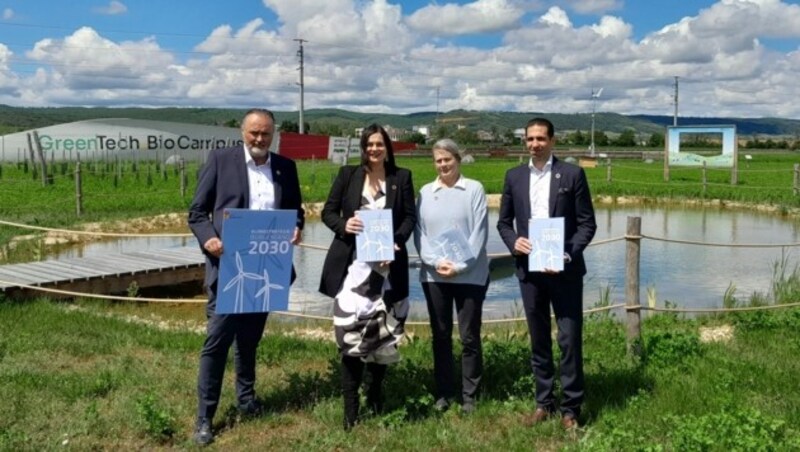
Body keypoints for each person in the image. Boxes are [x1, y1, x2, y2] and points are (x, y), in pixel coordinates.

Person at [188, 108, 305, 445]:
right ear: (243, 132)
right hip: (229, 269)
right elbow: (196, 212)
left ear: (274, 134)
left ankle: (246, 399)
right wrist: (208, 237)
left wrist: (296, 228)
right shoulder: (221, 161)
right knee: (217, 343)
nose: (259, 139)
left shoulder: (286, 167)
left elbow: (296, 211)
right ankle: (205, 418)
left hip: (267, 268)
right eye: (254, 132)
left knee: (250, 340)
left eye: (265, 133)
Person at [496, 117, 596, 429]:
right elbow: (503, 222)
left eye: (541, 139)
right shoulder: (513, 177)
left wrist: (567, 254)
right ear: (524, 142)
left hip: (564, 271)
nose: (535, 144)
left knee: (568, 339)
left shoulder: (572, 174)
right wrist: (515, 242)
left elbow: (586, 224)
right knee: (539, 339)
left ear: (552, 141)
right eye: (530, 139)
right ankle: (544, 403)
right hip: (530, 271)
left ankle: (571, 409)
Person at [319, 123, 416, 430]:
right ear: (363, 147)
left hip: (387, 272)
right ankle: (351, 411)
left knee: (382, 337)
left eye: (380, 144)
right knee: (349, 338)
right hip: (353, 272)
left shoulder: (402, 177)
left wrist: (396, 241)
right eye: (369, 144)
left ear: (388, 146)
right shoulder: (348, 175)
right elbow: (328, 212)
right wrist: (344, 225)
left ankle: (375, 395)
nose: (374, 149)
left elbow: (410, 217)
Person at [414, 139, 489, 414]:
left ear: (458, 159)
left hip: (470, 276)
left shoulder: (474, 189)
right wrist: (435, 262)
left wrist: (459, 266)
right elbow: (419, 234)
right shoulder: (424, 192)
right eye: (438, 160)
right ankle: (444, 392)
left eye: (448, 159)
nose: (443, 164)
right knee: (441, 335)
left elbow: (479, 233)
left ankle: (470, 395)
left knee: (470, 337)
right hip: (435, 277)